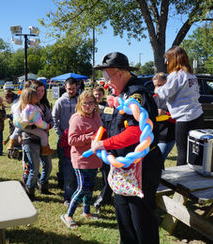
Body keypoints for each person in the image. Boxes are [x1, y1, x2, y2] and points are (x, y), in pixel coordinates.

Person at [91, 52, 163, 243]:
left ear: (121, 73)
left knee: (141, 219)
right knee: (124, 218)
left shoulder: (137, 96)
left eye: (108, 76)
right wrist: (97, 138)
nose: (105, 82)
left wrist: (103, 144)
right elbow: (107, 125)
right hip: (120, 168)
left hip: (142, 167)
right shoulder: (116, 96)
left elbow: (135, 133)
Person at [155, 46, 204, 166]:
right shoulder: (191, 75)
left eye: (168, 59)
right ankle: (195, 172)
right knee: (194, 150)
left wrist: (157, 89)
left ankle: (181, 179)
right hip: (198, 115)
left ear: (174, 59)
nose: (166, 62)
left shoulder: (176, 75)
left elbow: (165, 93)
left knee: (182, 152)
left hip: (184, 119)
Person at [61, 90, 102, 228]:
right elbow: (71, 140)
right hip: (81, 159)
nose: (89, 106)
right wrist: (88, 137)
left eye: (92, 103)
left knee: (90, 188)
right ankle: (68, 215)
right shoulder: (76, 118)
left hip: (95, 158)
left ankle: (86, 212)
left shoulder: (96, 116)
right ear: (80, 104)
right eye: (85, 103)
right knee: (83, 187)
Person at [16, 82, 54, 200]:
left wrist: (48, 126)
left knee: (48, 166)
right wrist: (28, 128)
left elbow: (51, 121)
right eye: (38, 91)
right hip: (30, 141)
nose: (40, 93)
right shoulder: (22, 106)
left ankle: (43, 186)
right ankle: (29, 191)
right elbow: (18, 122)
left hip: (43, 140)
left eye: (43, 91)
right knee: (34, 167)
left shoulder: (45, 107)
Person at [52, 78, 79, 190]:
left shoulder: (80, 100)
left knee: (76, 160)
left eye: (73, 89)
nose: (71, 91)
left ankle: (76, 182)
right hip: (64, 137)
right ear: (65, 87)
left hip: (77, 137)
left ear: (76, 87)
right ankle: (62, 180)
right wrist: (59, 132)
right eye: (69, 89)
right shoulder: (60, 101)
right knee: (63, 160)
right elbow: (54, 117)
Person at [13, 88, 54, 156]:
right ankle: (45, 149)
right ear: (32, 98)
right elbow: (38, 122)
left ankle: (12, 142)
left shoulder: (19, 105)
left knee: (16, 131)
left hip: (22, 126)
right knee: (44, 135)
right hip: (31, 128)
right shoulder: (32, 109)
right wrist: (46, 126)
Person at [92, 85, 112, 212]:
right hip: (93, 142)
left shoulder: (108, 106)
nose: (97, 97)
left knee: (107, 170)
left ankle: (104, 196)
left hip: (105, 142)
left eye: (99, 94)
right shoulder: (89, 107)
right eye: (95, 95)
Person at [152, 72, 176, 160]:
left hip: (167, 137)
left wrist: (166, 114)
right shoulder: (154, 98)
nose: (157, 88)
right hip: (155, 137)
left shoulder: (172, 98)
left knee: (158, 160)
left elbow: (179, 117)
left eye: (160, 85)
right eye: (155, 86)